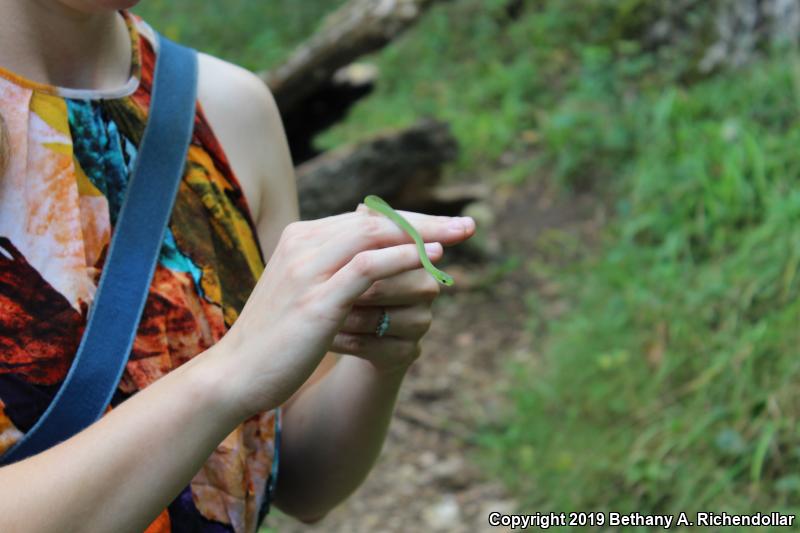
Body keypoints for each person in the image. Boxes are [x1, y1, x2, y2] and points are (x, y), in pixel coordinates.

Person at [0, 1, 475, 532]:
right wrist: (229, 372)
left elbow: (302, 479)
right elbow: (241, 376)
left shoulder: (230, 109)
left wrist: (378, 355)